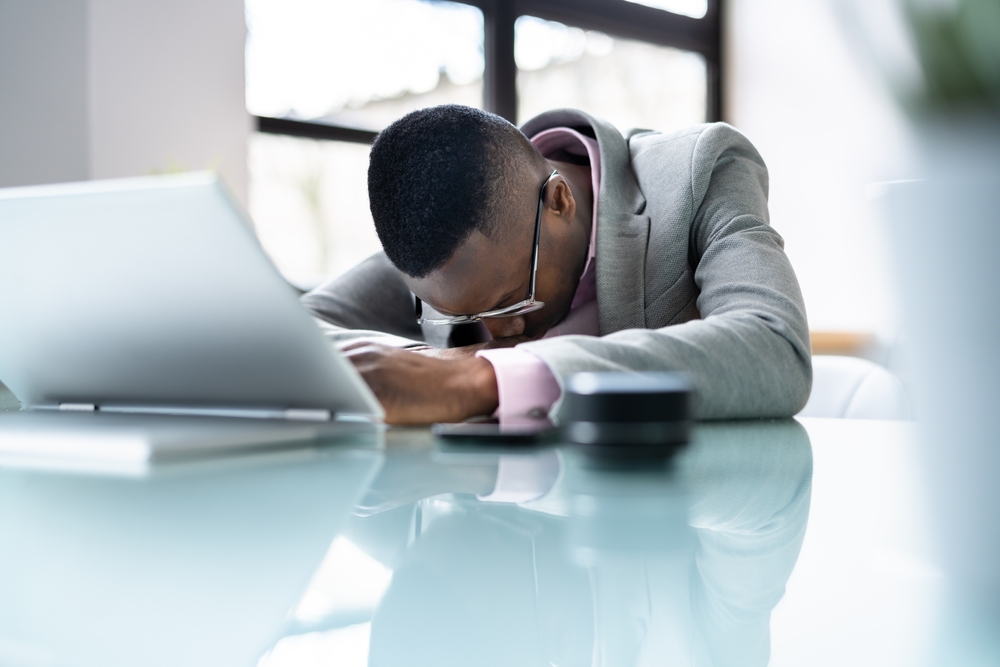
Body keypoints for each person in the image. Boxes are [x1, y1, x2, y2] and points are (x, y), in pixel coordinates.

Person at [302, 105, 811, 425]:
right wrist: (422, 361)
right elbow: (296, 335)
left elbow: (775, 346)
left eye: (508, 302)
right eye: (462, 319)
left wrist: (485, 380)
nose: (497, 332)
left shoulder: (701, 170)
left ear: (560, 201)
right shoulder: (448, 249)